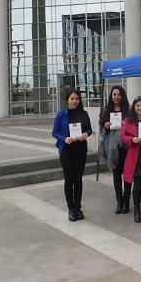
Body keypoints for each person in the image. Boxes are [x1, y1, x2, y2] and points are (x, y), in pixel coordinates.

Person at [52, 89, 93, 222]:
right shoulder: (61, 115)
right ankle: (71, 208)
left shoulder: (84, 113)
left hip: (80, 149)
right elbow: (54, 132)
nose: (74, 101)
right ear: (67, 100)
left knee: (78, 179)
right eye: (72, 99)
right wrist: (64, 138)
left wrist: (86, 134)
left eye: (77, 99)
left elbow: (89, 129)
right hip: (66, 150)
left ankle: (78, 207)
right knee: (69, 179)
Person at [98, 85, 131, 214]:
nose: (116, 97)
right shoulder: (106, 110)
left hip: (125, 147)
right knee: (116, 175)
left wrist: (126, 125)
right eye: (114, 94)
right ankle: (119, 201)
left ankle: (126, 202)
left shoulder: (128, 110)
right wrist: (106, 126)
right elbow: (101, 130)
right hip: (112, 148)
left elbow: (134, 128)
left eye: (119, 94)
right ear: (111, 96)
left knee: (127, 175)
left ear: (122, 96)